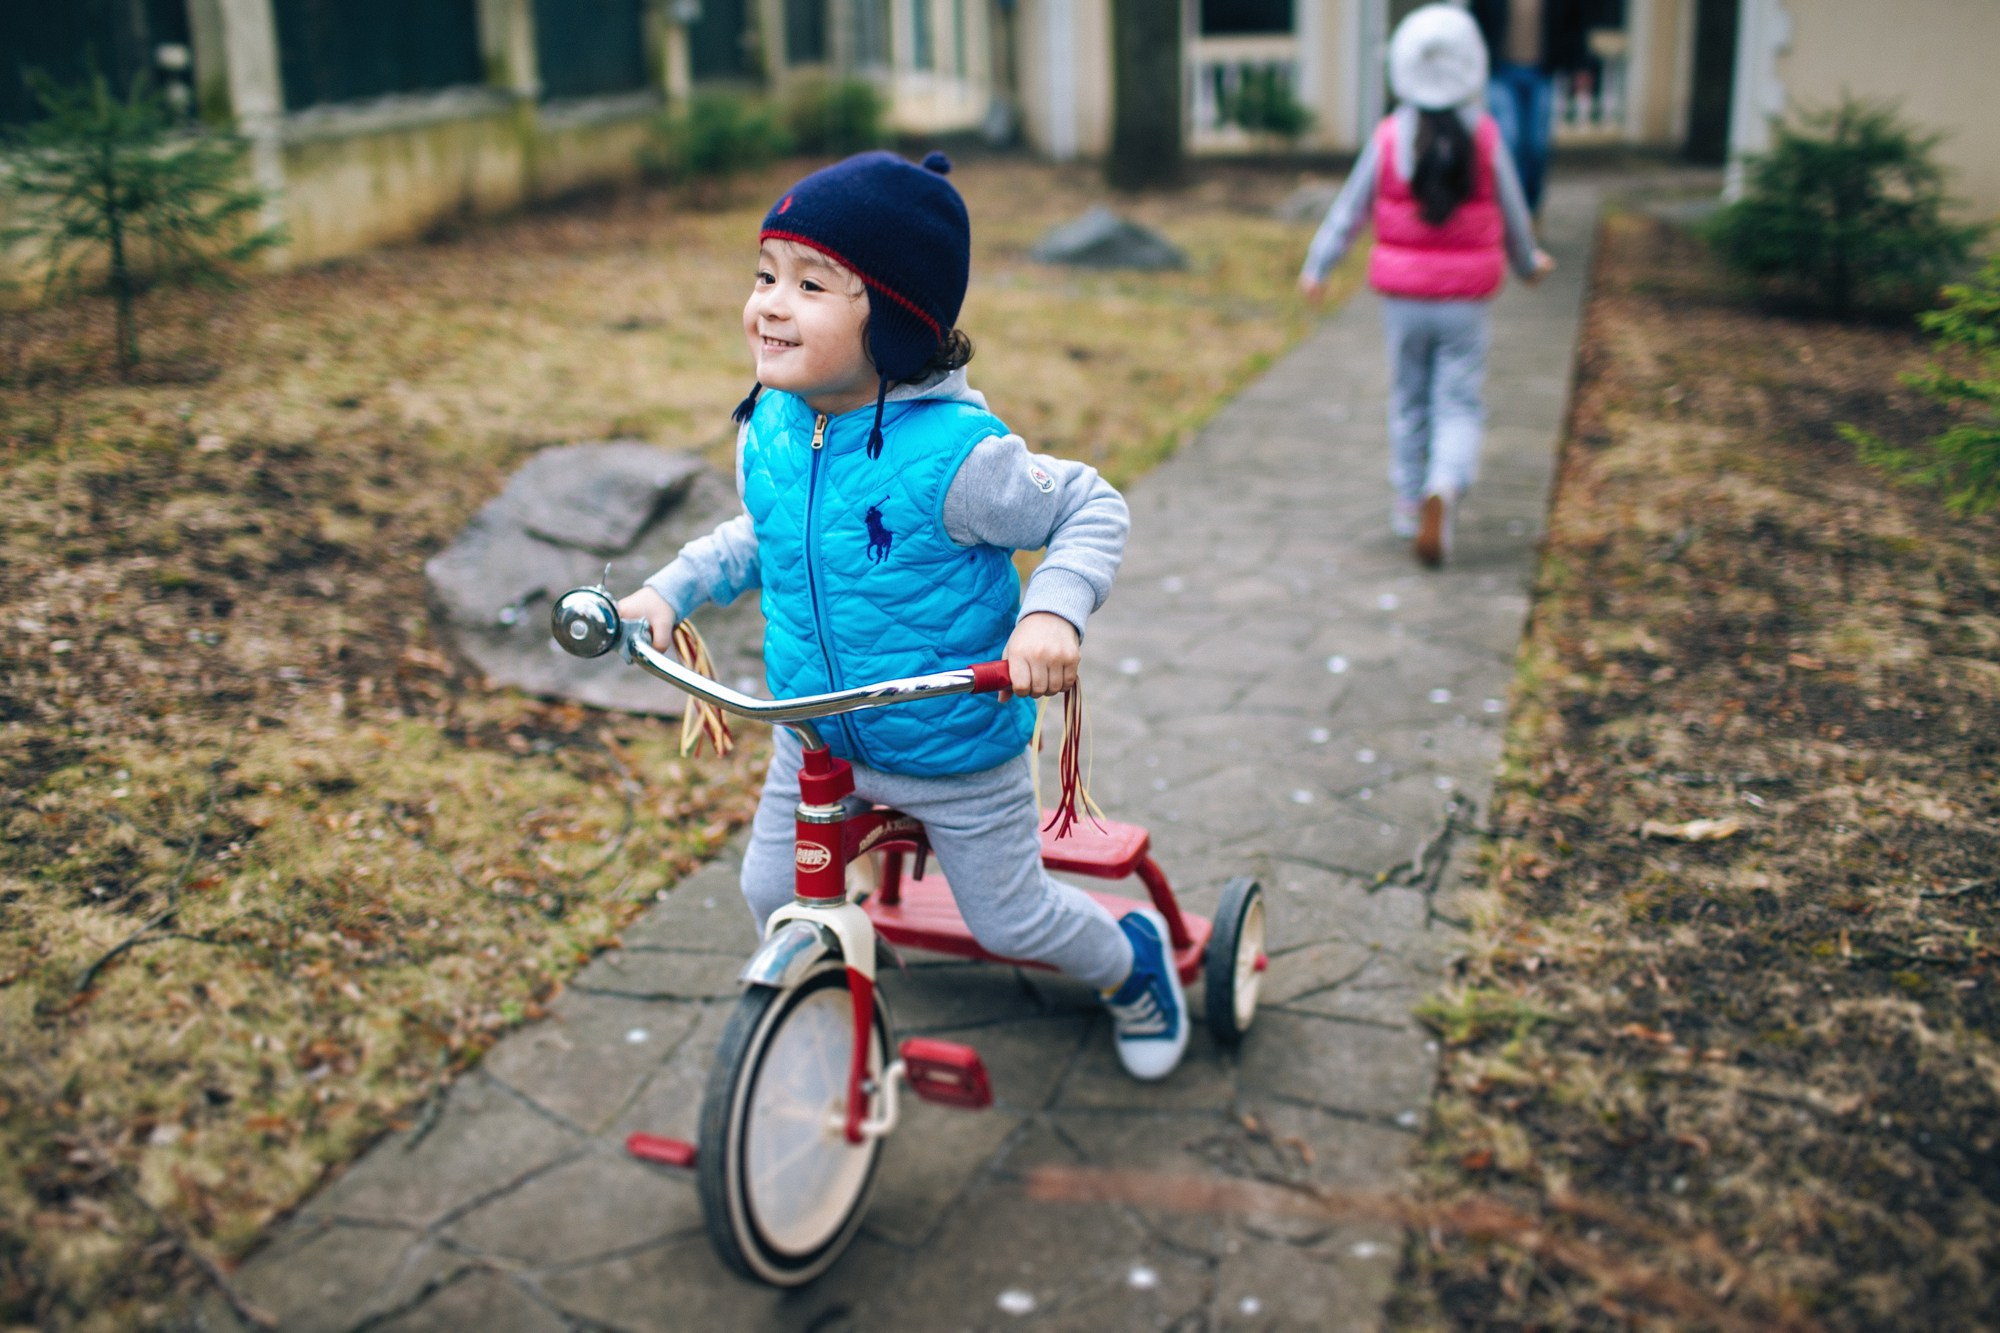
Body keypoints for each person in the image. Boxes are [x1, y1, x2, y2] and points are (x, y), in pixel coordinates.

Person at [615, 150, 1189, 1080]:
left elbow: (1090, 506)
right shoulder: (772, 423)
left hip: (951, 743)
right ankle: (828, 999)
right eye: (764, 275)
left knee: (1009, 918)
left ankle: (1133, 962)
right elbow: (764, 536)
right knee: (768, 888)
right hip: (816, 735)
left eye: (810, 285)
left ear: (891, 321)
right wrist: (668, 591)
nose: (770, 304)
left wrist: (1052, 615)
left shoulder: (960, 460)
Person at [1299, 3, 1554, 568]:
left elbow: (1350, 210)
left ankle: (1409, 504)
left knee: (1409, 399)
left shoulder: (1391, 135)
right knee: (1458, 402)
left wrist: (1318, 266)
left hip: (1405, 302)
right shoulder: (1484, 136)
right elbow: (1514, 211)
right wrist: (1527, 263)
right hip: (1465, 303)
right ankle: (1446, 484)